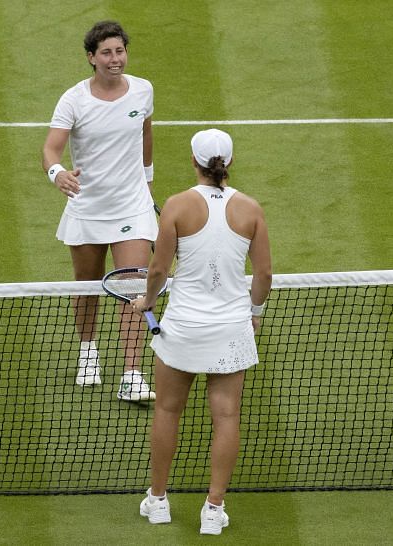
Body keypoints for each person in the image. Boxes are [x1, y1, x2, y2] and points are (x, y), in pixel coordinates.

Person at [131, 129, 272, 534]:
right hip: (230, 329)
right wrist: (255, 312)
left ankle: (157, 501)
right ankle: (213, 510)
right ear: (229, 163)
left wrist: (148, 301)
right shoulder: (250, 209)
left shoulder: (177, 206)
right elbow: (262, 274)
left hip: (183, 330)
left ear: (193, 160)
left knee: (167, 411)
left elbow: (158, 269)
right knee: (227, 416)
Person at [41, 21, 157, 401]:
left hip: (132, 206)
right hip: (88, 207)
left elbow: (145, 132)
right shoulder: (73, 100)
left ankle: (132, 373)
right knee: (87, 287)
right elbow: (51, 150)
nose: (115, 59)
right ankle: (88, 351)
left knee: (133, 288)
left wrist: (148, 179)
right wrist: (58, 174)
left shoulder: (143, 90)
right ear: (91, 58)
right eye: (106, 53)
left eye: (119, 51)